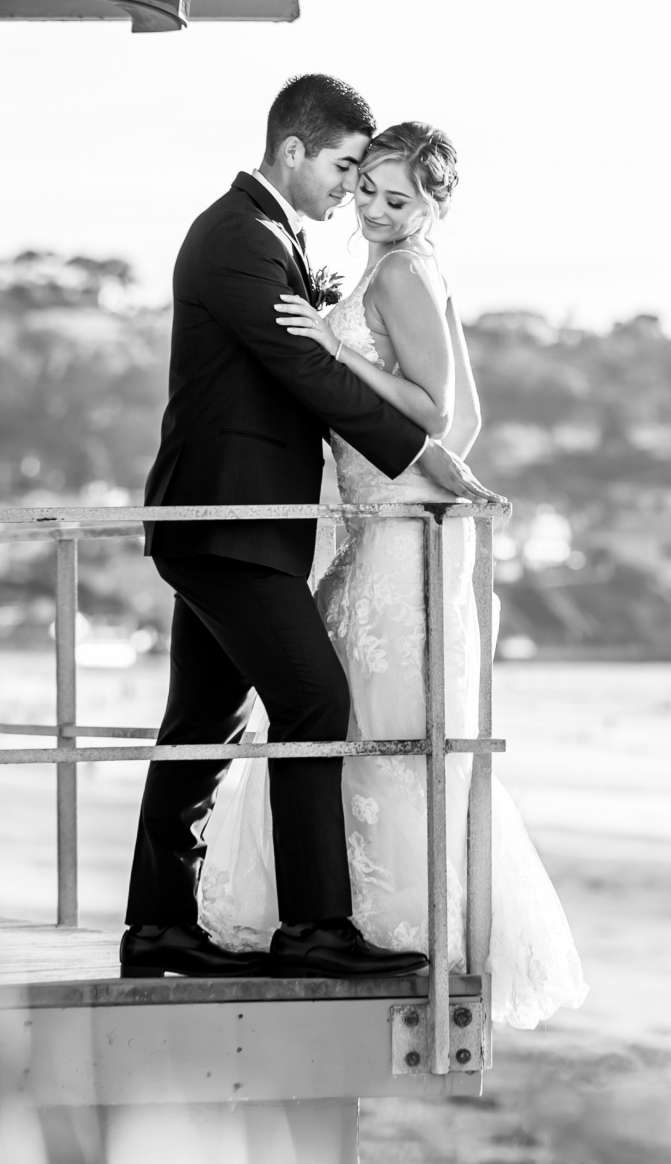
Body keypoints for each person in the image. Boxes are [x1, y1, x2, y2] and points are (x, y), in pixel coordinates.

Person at [196, 122, 588, 1027]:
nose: (372, 209)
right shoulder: (405, 267)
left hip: (398, 529)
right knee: (367, 713)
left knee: (382, 719)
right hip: (384, 521)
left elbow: (438, 407)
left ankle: (392, 919)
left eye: (395, 198)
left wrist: (332, 352)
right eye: (365, 186)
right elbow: (470, 421)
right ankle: (363, 913)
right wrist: (413, 480)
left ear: (433, 205)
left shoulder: (407, 271)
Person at [123, 76, 498, 981]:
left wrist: (421, 444)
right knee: (313, 705)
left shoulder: (270, 235)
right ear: (293, 150)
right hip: (225, 520)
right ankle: (315, 928)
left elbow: (378, 369)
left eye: (372, 182)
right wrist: (420, 457)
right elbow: (306, 369)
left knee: (202, 721)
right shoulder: (238, 240)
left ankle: (159, 927)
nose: (351, 192)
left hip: (244, 525)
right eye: (344, 169)